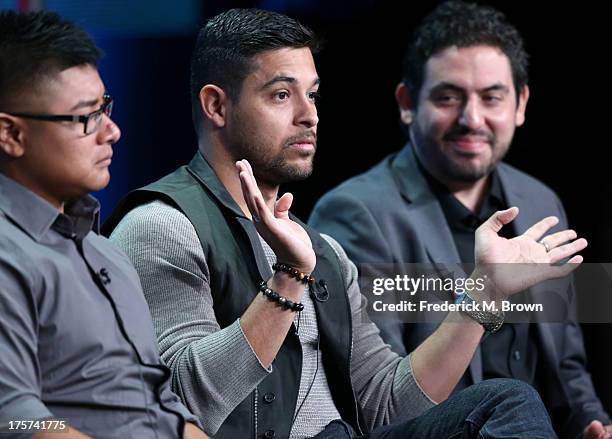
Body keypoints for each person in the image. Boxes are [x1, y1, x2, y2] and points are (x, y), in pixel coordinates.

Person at [105, 8, 583, 439]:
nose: (309, 115)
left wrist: (484, 294)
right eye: (281, 95)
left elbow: (385, 405)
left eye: (312, 95)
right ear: (217, 106)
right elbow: (179, 405)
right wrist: (288, 279)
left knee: (505, 401)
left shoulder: (325, 252)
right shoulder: (161, 226)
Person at [308, 2, 611, 438]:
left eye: (492, 98)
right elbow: (380, 405)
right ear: (407, 103)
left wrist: (590, 422)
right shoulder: (357, 214)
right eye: (448, 98)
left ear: (520, 104)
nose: (472, 119)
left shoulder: (540, 202)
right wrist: (481, 294)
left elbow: (566, 364)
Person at [0, 10, 208, 439]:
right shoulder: (8, 255)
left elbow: (164, 407)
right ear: (11, 135)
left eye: (105, 108)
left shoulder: (105, 251)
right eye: (86, 117)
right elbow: (15, 420)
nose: (111, 131)